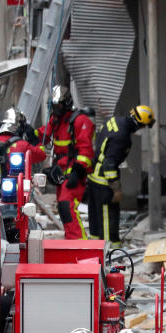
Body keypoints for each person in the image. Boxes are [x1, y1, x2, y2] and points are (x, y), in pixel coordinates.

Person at [87, 106, 155, 247]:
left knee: (96, 221)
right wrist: (116, 188)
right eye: (143, 126)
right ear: (138, 123)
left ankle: (94, 250)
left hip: (93, 178)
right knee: (108, 222)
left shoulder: (114, 121)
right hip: (104, 183)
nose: (142, 129)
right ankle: (109, 255)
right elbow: (109, 165)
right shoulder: (122, 137)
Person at [36, 85, 94, 239]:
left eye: (59, 105)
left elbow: (86, 150)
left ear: (66, 103)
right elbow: (43, 135)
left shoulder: (79, 120)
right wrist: (29, 132)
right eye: (54, 106)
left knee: (67, 205)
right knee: (63, 208)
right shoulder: (56, 120)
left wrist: (77, 172)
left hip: (74, 173)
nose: (56, 109)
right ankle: (72, 239)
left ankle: (80, 243)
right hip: (61, 172)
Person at [0, 107, 47, 177]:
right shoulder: (23, 145)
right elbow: (42, 155)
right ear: (20, 127)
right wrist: (34, 140)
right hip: (17, 184)